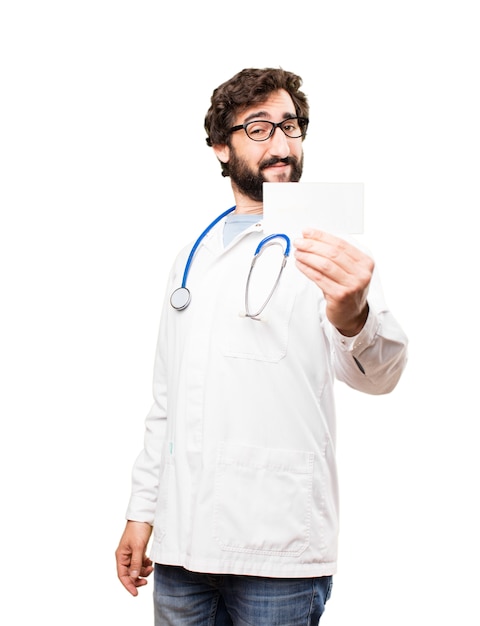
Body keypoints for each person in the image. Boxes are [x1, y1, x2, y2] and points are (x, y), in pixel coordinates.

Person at [115, 67, 408, 625]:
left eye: (290, 126)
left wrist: (354, 315)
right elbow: (166, 402)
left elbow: (380, 375)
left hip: (278, 546)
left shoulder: (332, 245)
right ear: (221, 147)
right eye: (258, 128)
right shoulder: (191, 256)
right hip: (180, 548)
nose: (280, 142)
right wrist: (141, 512)